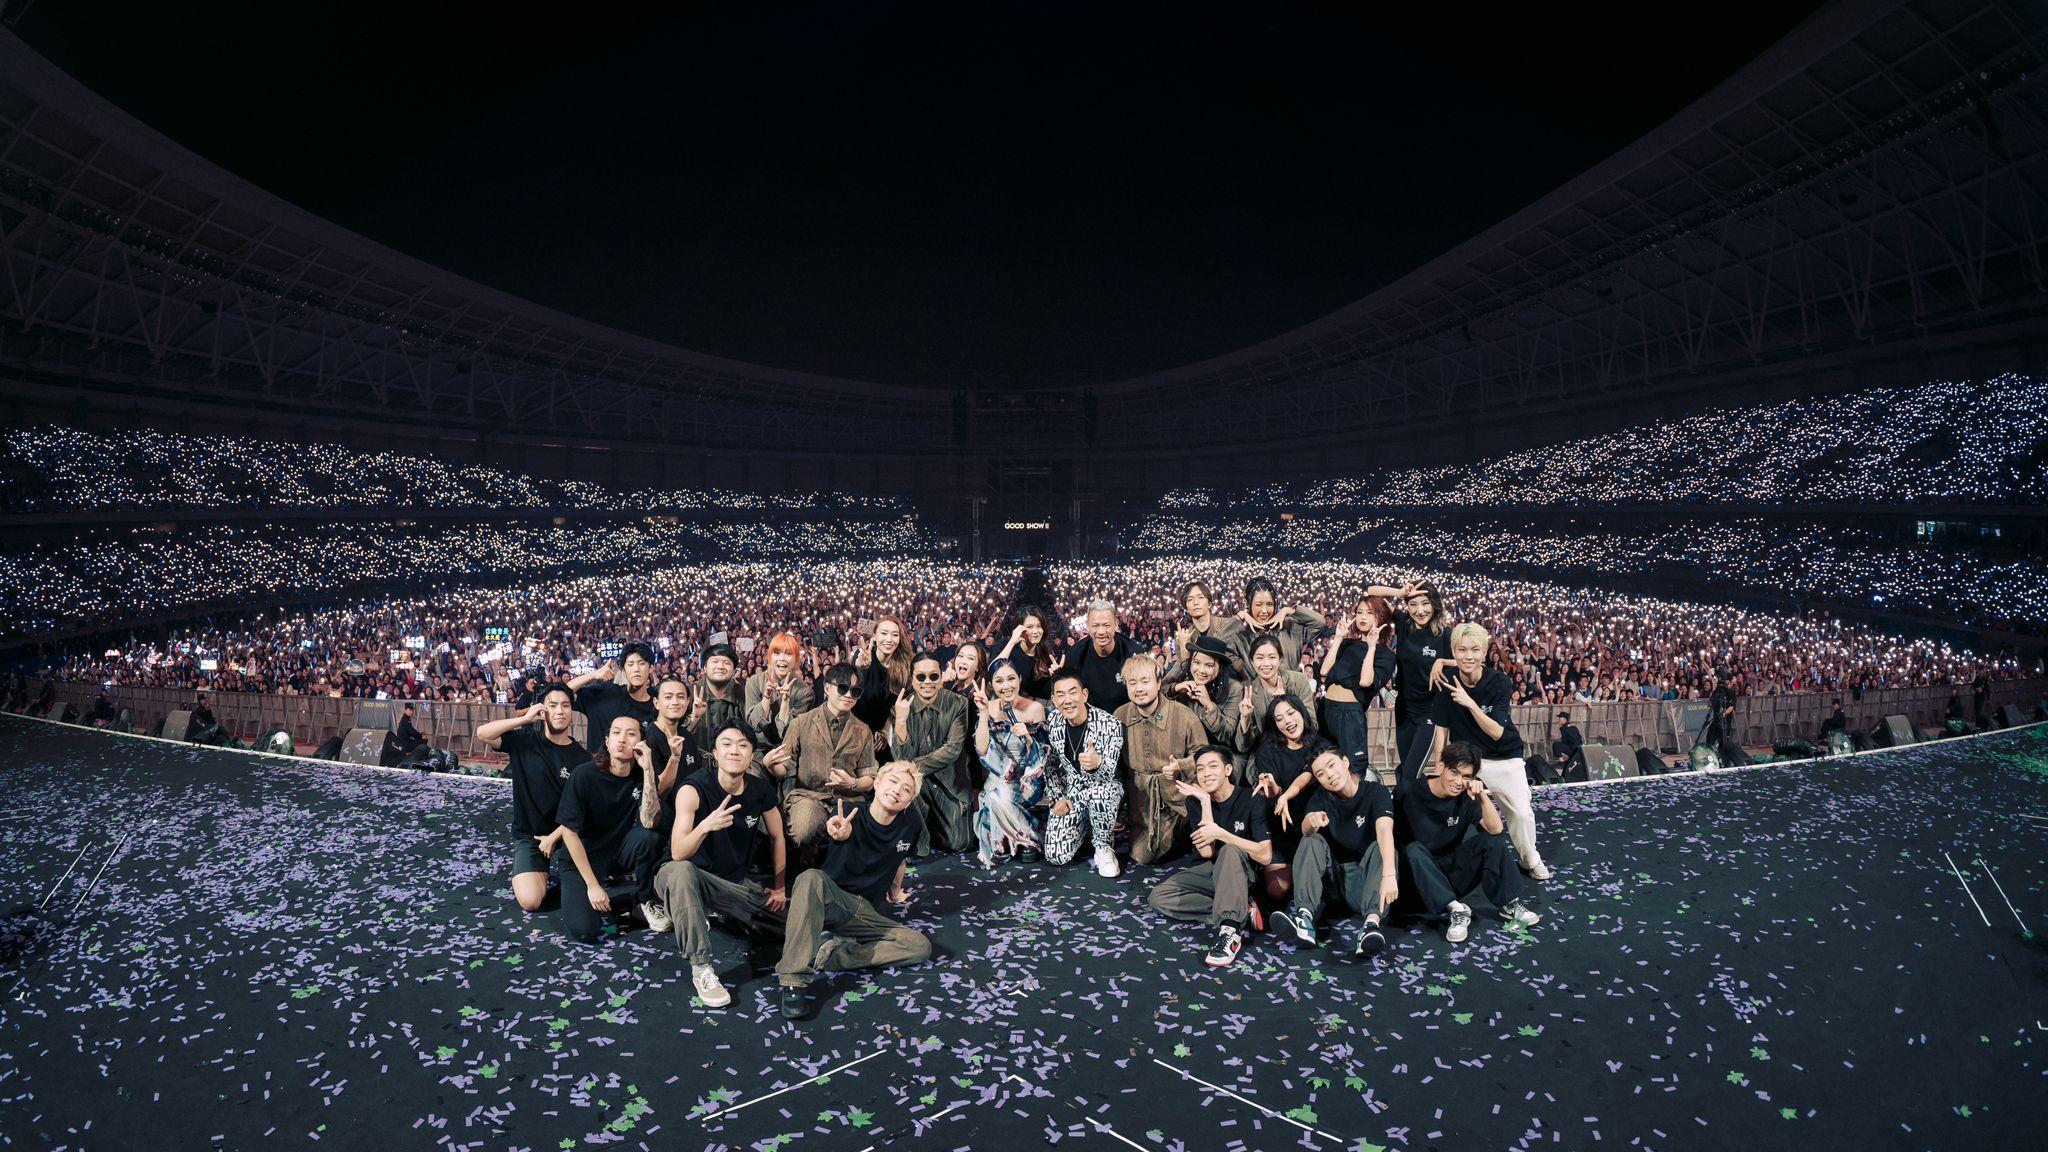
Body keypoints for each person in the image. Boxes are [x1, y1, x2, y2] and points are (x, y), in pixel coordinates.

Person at [775, 762, 933, 1021]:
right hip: (830, 899)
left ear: (909, 802)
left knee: (919, 946)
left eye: (906, 790)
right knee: (810, 878)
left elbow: (900, 857)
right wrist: (838, 832)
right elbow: (835, 829)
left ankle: (834, 956)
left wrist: (896, 891)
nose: (897, 791)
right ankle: (793, 981)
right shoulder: (848, 813)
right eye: (893, 782)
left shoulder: (911, 823)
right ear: (877, 783)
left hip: (863, 912)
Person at [651, 719, 789, 1009]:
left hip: (729, 883)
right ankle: (701, 967)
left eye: (742, 745)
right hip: (683, 874)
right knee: (682, 872)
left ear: (752, 755)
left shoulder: (760, 790)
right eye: (726, 744)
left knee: (783, 927)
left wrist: (779, 887)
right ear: (714, 753)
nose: (734, 751)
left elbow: (778, 837)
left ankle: (711, 912)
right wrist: (705, 826)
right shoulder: (694, 788)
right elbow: (677, 853)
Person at [1429, 623, 1549, 881]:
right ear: (1454, 652)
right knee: (1456, 813)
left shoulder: (1499, 682)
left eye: (1475, 650)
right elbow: (1441, 729)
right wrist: (1440, 765)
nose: (1468, 656)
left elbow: (1496, 732)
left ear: (1484, 653)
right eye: (1462, 650)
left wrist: (1470, 703)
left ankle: (1530, 860)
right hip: (1467, 760)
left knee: (1521, 813)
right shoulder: (1446, 681)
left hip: (1504, 756)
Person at [1396, 740, 1538, 942]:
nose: (1458, 781)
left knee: (1491, 842)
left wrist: (1481, 795)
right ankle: (1455, 909)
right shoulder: (1409, 790)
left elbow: (1496, 829)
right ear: (1441, 766)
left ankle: (1509, 904)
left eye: (1466, 777)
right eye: (1454, 772)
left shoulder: (1465, 797)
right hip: (1416, 877)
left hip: (1450, 875)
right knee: (1413, 850)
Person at [1148, 746, 1273, 968]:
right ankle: (1241, 911)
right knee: (1159, 897)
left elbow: (1265, 855)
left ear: (1228, 770)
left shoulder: (1251, 798)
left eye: (1213, 766)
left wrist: (1222, 834)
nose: (1206, 774)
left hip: (1242, 873)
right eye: (1200, 769)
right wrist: (1205, 801)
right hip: (1211, 870)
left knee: (1229, 849)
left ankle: (1230, 929)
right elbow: (1206, 852)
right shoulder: (1196, 800)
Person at [1272, 749, 1399, 958]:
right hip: (1333, 885)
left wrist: (1389, 875)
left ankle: (1371, 926)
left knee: (1383, 847)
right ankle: (1304, 919)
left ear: (1345, 761)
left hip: (1366, 885)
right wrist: (1310, 822)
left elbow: (1385, 829)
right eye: (1321, 774)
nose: (1329, 775)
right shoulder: (1320, 798)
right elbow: (1305, 829)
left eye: (1332, 765)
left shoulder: (1375, 792)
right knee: (1311, 838)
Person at [556, 715, 669, 943]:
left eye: (630, 733)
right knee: (585, 930)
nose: (622, 739)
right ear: (607, 742)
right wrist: (592, 885)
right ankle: (582, 892)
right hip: (582, 858)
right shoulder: (584, 775)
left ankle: (642, 900)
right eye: (616, 733)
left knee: (650, 837)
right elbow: (569, 832)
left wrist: (648, 770)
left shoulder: (642, 775)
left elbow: (650, 822)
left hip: (616, 853)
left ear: (641, 744)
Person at [476, 682, 584, 912]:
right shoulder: (524, 741)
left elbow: (581, 810)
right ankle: (537, 869)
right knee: (531, 901)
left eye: (565, 705)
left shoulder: (582, 759)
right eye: (552, 705)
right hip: (531, 836)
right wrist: (523, 719)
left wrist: (554, 838)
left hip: (567, 835)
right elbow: (483, 733)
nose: (560, 711)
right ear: (542, 710)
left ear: (572, 711)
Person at [765, 662, 879, 852]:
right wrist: (770, 765)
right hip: (809, 796)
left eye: (855, 691)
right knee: (804, 829)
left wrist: (852, 783)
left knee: (860, 839)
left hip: (849, 800)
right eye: (842, 688)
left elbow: (869, 779)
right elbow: (783, 769)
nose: (848, 695)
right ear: (826, 688)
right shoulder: (801, 723)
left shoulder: (863, 730)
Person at [1115, 654, 1207, 865]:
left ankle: (1184, 827)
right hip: (1140, 801)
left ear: (1158, 684)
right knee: (1141, 856)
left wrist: (1181, 766)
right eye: (1132, 683)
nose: (1139, 689)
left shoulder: (1183, 715)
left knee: (1192, 848)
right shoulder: (1120, 716)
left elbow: (1204, 755)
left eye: (1145, 681)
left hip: (1177, 799)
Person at [1366, 579, 1454, 782]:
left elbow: (1467, 661)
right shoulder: (1404, 624)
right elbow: (1371, 591)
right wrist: (1398, 592)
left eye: (1425, 604)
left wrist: (1442, 661)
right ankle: (1406, 801)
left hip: (1429, 711)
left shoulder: (1445, 634)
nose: (1419, 611)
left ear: (1435, 604)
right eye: (1413, 604)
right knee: (1406, 769)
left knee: (1410, 774)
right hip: (1404, 709)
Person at [1252, 693, 1334, 906]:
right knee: (1277, 891)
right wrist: (1273, 789)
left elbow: (1309, 774)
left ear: (1302, 713)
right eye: (1279, 719)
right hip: (1281, 829)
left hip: (1315, 827)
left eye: (1291, 713)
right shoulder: (1267, 750)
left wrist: (1286, 795)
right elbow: (1274, 792)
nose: (1287, 721)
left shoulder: (1320, 745)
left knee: (1324, 888)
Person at [1043, 670, 1126, 876]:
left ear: (1085, 694)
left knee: (1101, 793)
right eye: (1060, 695)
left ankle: (1104, 847)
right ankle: (1086, 827)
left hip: (1104, 788)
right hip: (1074, 791)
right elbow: (1050, 764)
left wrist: (1098, 764)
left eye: (1073, 692)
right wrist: (1057, 797)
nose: (1067, 700)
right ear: (1054, 699)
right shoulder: (1053, 721)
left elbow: (1109, 774)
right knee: (1056, 856)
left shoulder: (1109, 723)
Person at [888, 652, 970, 855]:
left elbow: (952, 750)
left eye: (934, 676)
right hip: (916, 784)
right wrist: (901, 721)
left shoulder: (958, 704)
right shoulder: (901, 707)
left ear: (941, 677)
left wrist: (912, 767)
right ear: (911, 678)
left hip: (949, 783)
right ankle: (920, 837)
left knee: (959, 843)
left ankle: (930, 826)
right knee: (905, 787)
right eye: (921, 677)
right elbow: (900, 758)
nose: (928, 682)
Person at [972, 658, 1048, 866]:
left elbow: (1043, 756)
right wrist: (984, 713)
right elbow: (982, 749)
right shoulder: (989, 707)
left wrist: (1029, 738)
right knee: (994, 796)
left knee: (997, 798)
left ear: (1020, 679)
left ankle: (1030, 839)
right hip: (998, 776)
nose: (1006, 686)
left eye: (1011, 679)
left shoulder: (1034, 708)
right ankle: (1012, 839)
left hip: (1026, 781)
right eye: (999, 681)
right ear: (992, 685)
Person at [1319, 595, 1397, 777]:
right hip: (1326, 709)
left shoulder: (1386, 655)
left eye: (1369, 613)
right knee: (1323, 763)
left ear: (1381, 617)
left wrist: (1371, 647)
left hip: (1350, 714)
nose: (1363, 617)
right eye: (1359, 612)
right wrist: (1339, 638)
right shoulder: (1347, 644)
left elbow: (1365, 681)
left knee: (1353, 768)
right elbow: (1324, 671)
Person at [1235, 635, 1315, 772]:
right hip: (1271, 755)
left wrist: (1286, 701)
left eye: (1272, 657)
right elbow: (1242, 747)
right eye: (1260, 658)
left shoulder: (1298, 681)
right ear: (1252, 662)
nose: (1266, 664)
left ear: (1280, 659)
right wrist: (1245, 718)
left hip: (1302, 748)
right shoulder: (1249, 692)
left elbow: (1313, 725)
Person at [568, 643, 658, 755]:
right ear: (623, 669)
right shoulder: (606, 693)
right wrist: (592, 675)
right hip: (597, 765)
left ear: (651, 668)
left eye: (641, 663)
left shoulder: (658, 704)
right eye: (630, 664)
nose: (636, 669)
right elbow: (563, 693)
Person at [1229, 576, 1326, 675]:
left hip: (1293, 684)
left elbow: (1319, 623)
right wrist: (1239, 616)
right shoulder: (1241, 636)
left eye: (1269, 604)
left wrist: (1289, 610)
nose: (1264, 611)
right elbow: (1221, 645)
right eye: (1258, 604)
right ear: (1249, 605)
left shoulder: (1290, 627)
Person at [1170, 634, 1246, 755]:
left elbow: (1226, 734)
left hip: (1217, 751)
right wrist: (1174, 689)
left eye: (1209, 665)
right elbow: (1158, 692)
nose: (1201, 670)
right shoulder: (1183, 677)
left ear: (1220, 668)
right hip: (1185, 748)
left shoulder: (1234, 688)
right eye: (1197, 662)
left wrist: (1209, 706)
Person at [745, 633, 816, 761]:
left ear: (796, 658)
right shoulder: (754, 682)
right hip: (756, 753)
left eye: (788, 654)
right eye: (777, 653)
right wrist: (766, 698)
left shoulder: (805, 692)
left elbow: (790, 733)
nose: (782, 658)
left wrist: (785, 702)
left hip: (787, 754)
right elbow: (753, 725)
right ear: (769, 656)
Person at [1061, 600, 1137, 713]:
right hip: (1090, 717)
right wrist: (1058, 677)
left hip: (1126, 716)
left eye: (1106, 625)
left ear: (1116, 624)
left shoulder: (1133, 653)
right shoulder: (1075, 655)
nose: (1101, 632)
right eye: (1095, 626)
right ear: (1087, 625)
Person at [1169, 581, 1246, 680]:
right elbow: (1181, 677)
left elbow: (1247, 663)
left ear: (1209, 604)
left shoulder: (1231, 626)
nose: (1196, 603)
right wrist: (1184, 650)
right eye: (1190, 599)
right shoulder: (1182, 639)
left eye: (1200, 597)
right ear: (1186, 608)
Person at [688, 642, 749, 758]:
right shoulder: (689, 692)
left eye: (727, 663)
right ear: (705, 668)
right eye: (715, 661)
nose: (720, 666)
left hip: (732, 760)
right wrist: (693, 720)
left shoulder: (742, 693)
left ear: (734, 670)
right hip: (695, 761)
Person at [851, 617, 911, 732]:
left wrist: (886, 730)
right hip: (857, 730)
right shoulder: (862, 656)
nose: (889, 639)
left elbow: (902, 703)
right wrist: (861, 669)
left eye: (895, 635)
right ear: (874, 636)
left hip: (884, 733)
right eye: (884, 633)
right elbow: (854, 692)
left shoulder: (904, 665)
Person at [993, 606, 1059, 701]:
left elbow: (1045, 693)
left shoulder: (1044, 655)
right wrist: (1011, 643)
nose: (1036, 631)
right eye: (1029, 627)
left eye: (1039, 626)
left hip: (1025, 705)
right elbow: (993, 672)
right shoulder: (1005, 645)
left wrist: (1056, 677)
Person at [1553, 711, 1587, 781]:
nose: (1559, 720)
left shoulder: (1565, 728)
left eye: (1560, 718)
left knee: (1556, 745)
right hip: (1578, 749)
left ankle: (1562, 762)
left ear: (1565, 719)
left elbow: (1568, 740)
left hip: (1574, 749)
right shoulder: (1572, 726)